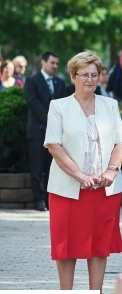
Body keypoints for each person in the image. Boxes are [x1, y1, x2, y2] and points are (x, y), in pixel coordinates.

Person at [44, 51, 122, 294]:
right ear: (73, 76)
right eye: (84, 75)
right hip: (67, 187)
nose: (90, 80)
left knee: (100, 242)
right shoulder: (59, 106)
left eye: (95, 74)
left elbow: (120, 142)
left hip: (105, 187)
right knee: (65, 243)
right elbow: (54, 146)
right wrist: (80, 176)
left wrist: (112, 171)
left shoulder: (110, 105)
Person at [25, 52, 68, 211]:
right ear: (43, 62)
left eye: (57, 63)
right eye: (52, 62)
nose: (55, 66)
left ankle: (50, 200)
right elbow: (33, 103)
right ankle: (38, 200)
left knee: (52, 168)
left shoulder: (60, 83)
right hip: (37, 132)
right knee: (37, 168)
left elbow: (64, 104)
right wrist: (52, 120)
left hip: (56, 134)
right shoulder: (32, 81)